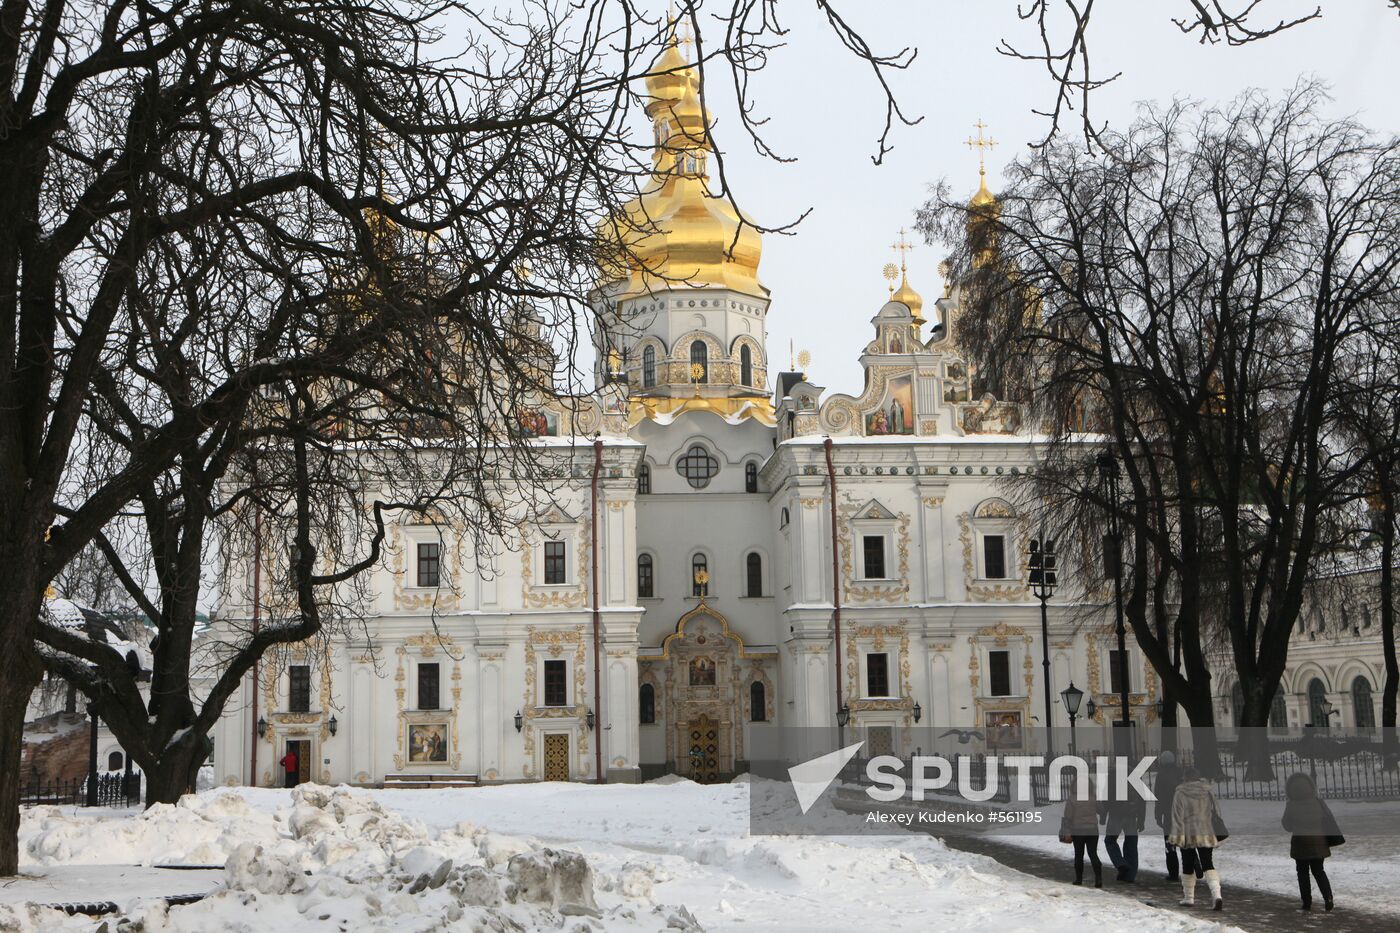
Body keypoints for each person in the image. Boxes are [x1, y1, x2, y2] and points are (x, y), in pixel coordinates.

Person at [1282, 772, 1341, 911]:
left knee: (1302, 873)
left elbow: (1287, 825)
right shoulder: (1318, 802)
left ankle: (1307, 902)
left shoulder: (1291, 804)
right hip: (1318, 842)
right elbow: (1327, 819)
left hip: (1300, 843)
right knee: (1319, 871)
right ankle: (1328, 897)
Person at [1168, 766, 1225, 910]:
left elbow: (1177, 817)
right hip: (1206, 832)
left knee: (1187, 864)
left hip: (1188, 834)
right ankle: (1217, 895)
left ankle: (1189, 898)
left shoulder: (1180, 793)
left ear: (1185, 778)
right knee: (1208, 864)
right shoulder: (1207, 791)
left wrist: (1176, 838)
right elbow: (1216, 811)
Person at [1099, 766, 1147, 882]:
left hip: (1116, 814)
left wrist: (1103, 815)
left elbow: (1106, 796)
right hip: (1131, 815)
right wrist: (1141, 819)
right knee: (1131, 845)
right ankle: (1130, 876)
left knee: (1110, 841)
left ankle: (1120, 864)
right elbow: (1142, 799)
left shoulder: (1112, 774)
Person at [1060, 776, 1103, 887]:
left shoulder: (1072, 799)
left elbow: (1068, 816)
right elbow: (1101, 810)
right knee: (1093, 853)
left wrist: (1067, 830)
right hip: (1092, 830)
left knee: (1079, 855)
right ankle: (1098, 879)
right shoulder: (1093, 797)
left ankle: (1078, 879)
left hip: (1078, 831)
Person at [1154, 750, 1183, 882]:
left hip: (1168, 814)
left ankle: (1173, 873)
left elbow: (1158, 796)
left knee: (1169, 846)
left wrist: (1158, 814)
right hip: (1182, 813)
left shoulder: (1161, 775)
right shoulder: (1180, 773)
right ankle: (1193, 866)